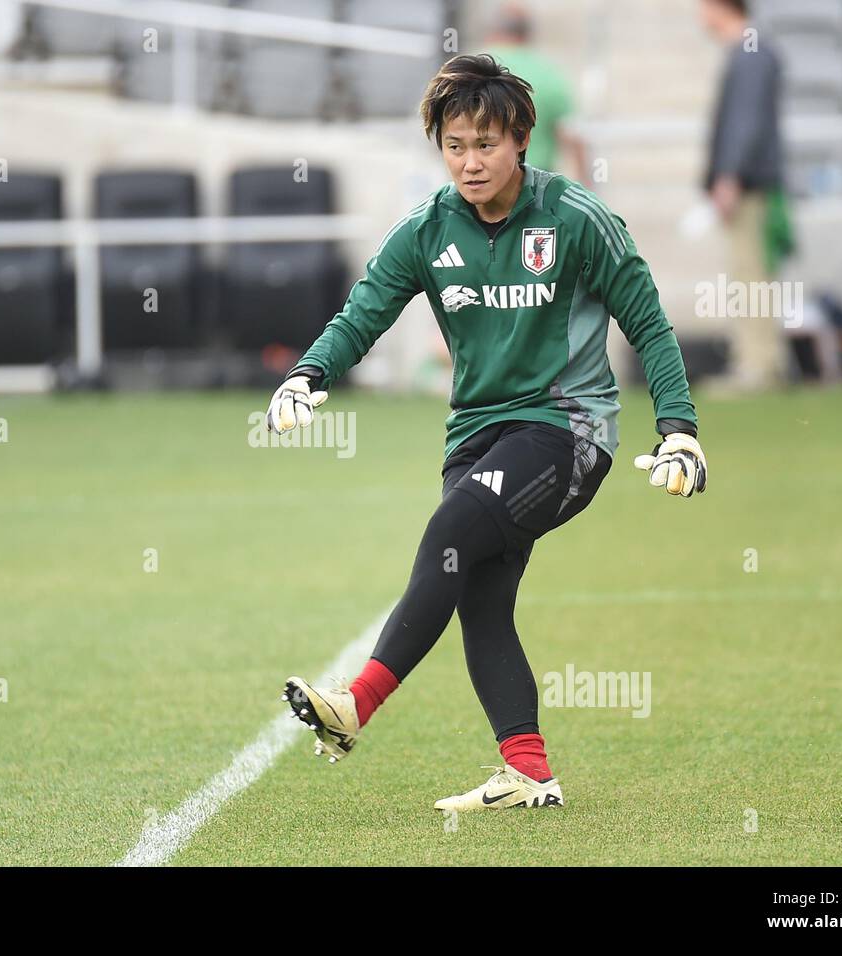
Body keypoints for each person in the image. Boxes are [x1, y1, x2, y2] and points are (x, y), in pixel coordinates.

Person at [265, 54, 706, 812]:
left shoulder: (576, 218)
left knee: (449, 531)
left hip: (567, 431)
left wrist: (680, 432)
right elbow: (364, 312)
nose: (469, 163)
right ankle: (529, 771)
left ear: (522, 140)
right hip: (475, 436)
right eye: (455, 145)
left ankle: (355, 707)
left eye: (486, 145)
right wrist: (308, 375)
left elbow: (651, 326)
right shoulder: (427, 229)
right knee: (481, 598)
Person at [699, 0, 794, 389]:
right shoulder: (753, 51)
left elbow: (745, 121)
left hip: (750, 186)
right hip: (752, 183)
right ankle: (763, 362)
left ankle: (758, 367)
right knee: (750, 276)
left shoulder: (750, 54)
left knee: (749, 277)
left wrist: (729, 176)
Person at [486, 2, 587, 183]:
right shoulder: (549, 73)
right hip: (537, 185)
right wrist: (587, 192)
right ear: (527, 34)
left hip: (486, 181)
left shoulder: (473, 69)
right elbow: (573, 137)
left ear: (493, 32)